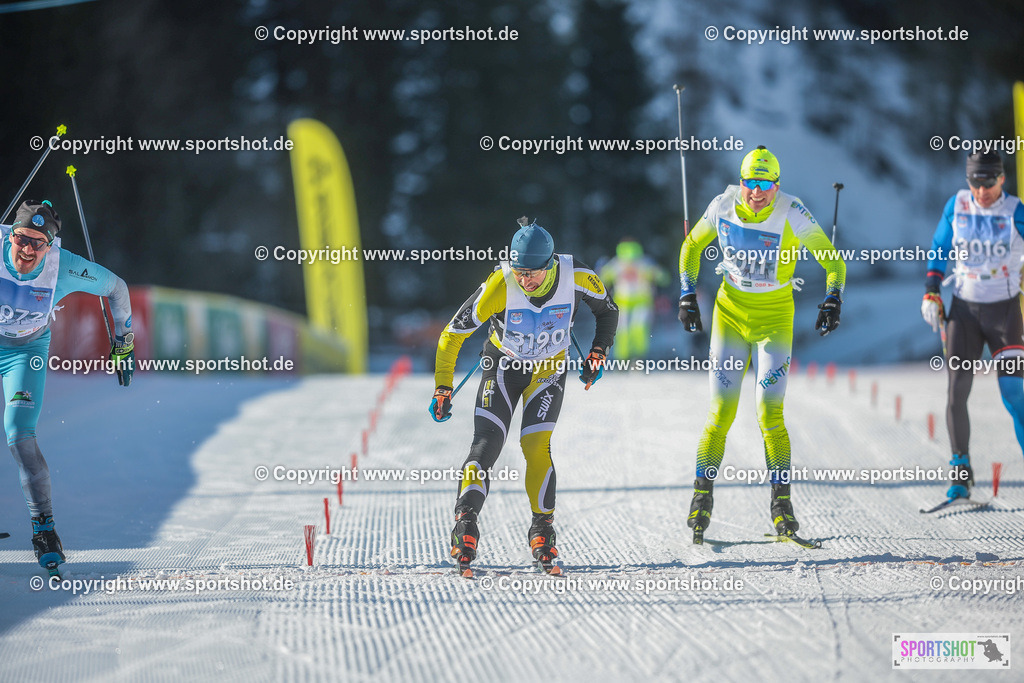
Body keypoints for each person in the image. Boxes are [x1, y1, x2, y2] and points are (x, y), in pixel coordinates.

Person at [430, 217, 617, 575]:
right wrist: (442, 386)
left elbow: (607, 312)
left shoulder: (578, 276)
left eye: (532, 273)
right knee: (486, 444)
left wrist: (598, 352)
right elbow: (452, 334)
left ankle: (542, 529)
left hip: (547, 373)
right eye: (518, 271)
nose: (524, 280)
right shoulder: (500, 284)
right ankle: (465, 523)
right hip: (503, 368)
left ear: (550, 264)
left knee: (536, 446)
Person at [677, 146, 846, 541]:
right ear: (741, 182)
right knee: (721, 411)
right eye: (750, 182)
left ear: (777, 185)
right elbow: (691, 247)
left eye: (765, 184)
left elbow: (832, 260)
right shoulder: (722, 205)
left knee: (770, 413)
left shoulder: (792, 211)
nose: (757, 191)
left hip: (774, 322)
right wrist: (687, 294)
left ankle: (781, 504)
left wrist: (833, 297)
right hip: (730, 317)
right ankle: (701, 497)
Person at [2, 199, 134, 574]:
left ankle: (44, 530)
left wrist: (124, 341)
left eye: (38, 243)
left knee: (19, 432)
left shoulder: (66, 268)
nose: (27, 249)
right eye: (22, 238)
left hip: (25, 349)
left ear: (50, 246)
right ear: (12, 233)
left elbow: (118, 288)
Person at [921, 152, 1024, 500]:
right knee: (956, 391)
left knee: (1014, 395)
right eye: (975, 183)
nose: (982, 191)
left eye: (989, 183)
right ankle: (960, 472)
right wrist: (932, 291)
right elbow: (938, 247)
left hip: (1005, 316)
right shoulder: (958, 205)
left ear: (1002, 179)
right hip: (964, 312)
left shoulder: (1015, 211)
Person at [599, 237, 669, 360]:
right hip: (634, 302)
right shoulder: (644, 262)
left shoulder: (617, 263)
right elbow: (663, 278)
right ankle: (634, 358)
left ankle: (626, 359)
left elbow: (600, 279)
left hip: (632, 302)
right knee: (633, 330)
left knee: (627, 331)